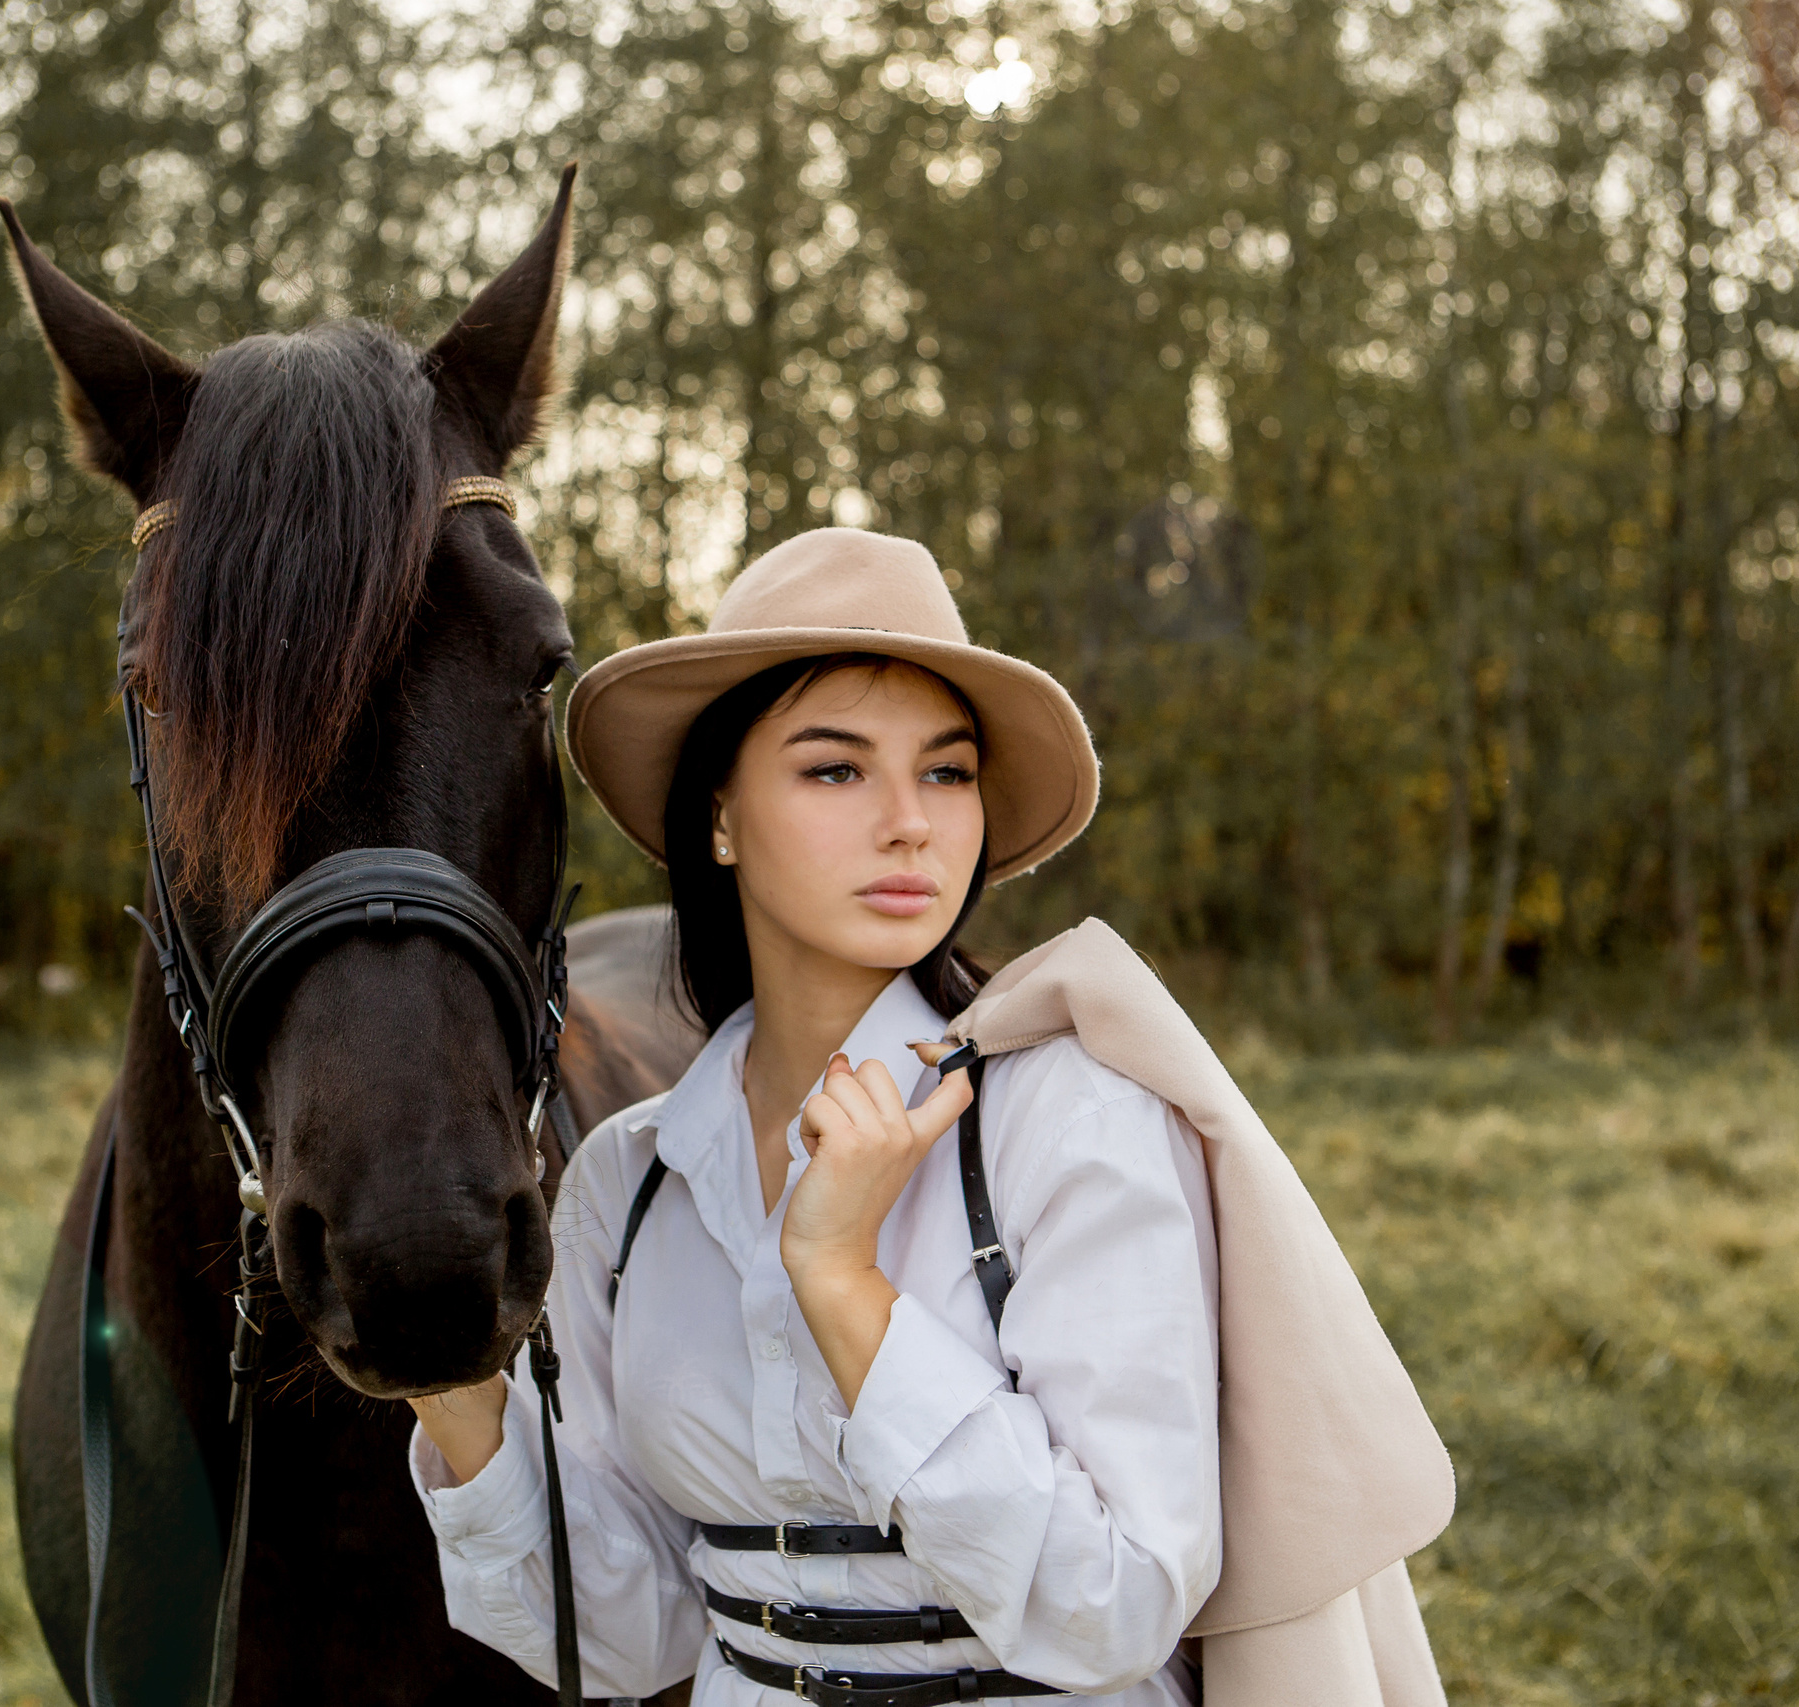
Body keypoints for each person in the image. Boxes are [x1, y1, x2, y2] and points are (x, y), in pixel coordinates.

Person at [405, 526, 1225, 1705]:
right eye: (836, 769)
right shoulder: (629, 1185)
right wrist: (458, 1393)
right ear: (721, 818)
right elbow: (629, 1642)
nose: (909, 821)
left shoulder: (1071, 1120)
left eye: (945, 771)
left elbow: (1118, 1603)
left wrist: (842, 1283)